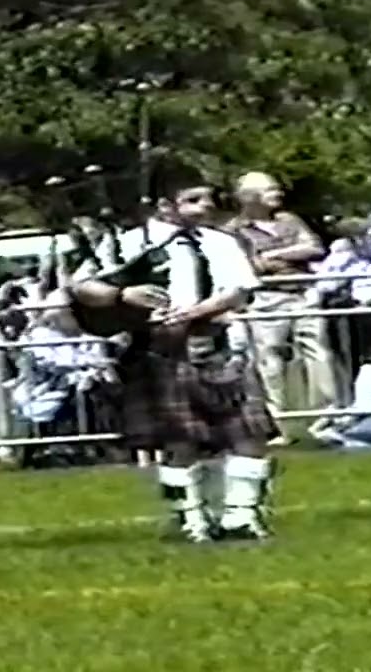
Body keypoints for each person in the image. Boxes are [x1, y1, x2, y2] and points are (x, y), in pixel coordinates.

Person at [69, 171, 279, 542]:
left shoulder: (222, 242)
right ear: (165, 206)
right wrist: (123, 295)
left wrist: (198, 311)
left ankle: (241, 516)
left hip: (218, 345)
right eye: (193, 200)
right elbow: (82, 287)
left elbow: (239, 290)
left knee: (248, 433)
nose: (206, 206)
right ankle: (191, 519)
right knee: (178, 441)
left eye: (207, 198)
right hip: (159, 349)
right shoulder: (127, 243)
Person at [227, 172, 337, 445]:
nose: (278, 194)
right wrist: (291, 253)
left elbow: (314, 248)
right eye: (269, 190)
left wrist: (274, 255)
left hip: (303, 292)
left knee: (319, 353)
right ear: (250, 196)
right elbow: (251, 265)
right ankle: (279, 425)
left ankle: (326, 420)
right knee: (269, 360)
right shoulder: (234, 230)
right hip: (266, 298)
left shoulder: (290, 220)